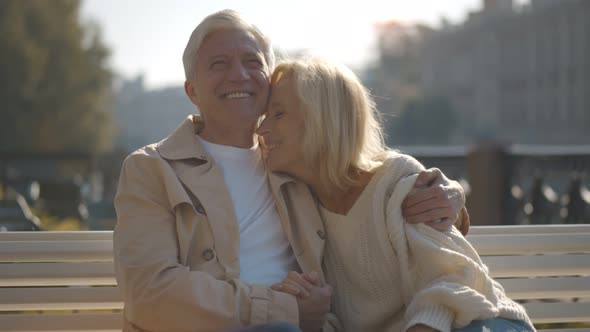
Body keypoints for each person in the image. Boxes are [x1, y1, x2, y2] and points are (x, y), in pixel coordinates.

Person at [113, 9, 469, 332]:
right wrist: (282, 310)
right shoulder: (152, 169)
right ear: (192, 90)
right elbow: (149, 291)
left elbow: (370, 182)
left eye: (252, 62)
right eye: (219, 64)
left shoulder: (292, 163)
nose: (238, 74)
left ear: (268, 81)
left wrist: (449, 197)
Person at [256, 58, 534, 332]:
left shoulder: (395, 181)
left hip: (483, 324)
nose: (262, 129)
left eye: (278, 114)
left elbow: (453, 279)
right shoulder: (297, 205)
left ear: (324, 120)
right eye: (265, 115)